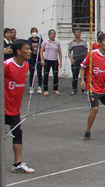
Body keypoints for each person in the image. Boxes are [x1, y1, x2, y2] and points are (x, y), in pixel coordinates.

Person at [4, 39, 35, 173]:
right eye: (27, 49)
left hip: (14, 108)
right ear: (18, 51)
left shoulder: (26, 66)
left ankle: (17, 164)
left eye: (29, 49)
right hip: (2, 108)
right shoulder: (7, 65)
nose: (29, 51)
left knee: (17, 133)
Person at [40, 29, 62, 96]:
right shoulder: (45, 42)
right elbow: (41, 51)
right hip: (47, 60)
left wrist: (60, 61)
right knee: (46, 75)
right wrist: (42, 60)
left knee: (55, 75)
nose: (53, 35)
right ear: (49, 34)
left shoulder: (57, 42)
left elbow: (59, 52)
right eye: (51, 33)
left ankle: (55, 89)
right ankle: (45, 90)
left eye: (54, 34)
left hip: (54, 60)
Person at [68, 28, 88, 96]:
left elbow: (86, 52)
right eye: (77, 32)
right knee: (75, 76)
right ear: (74, 33)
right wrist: (71, 59)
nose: (78, 34)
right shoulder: (71, 43)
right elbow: (69, 52)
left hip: (83, 61)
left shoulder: (84, 42)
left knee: (84, 76)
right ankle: (74, 90)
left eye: (79, 32)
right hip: (75, 61)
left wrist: (86, 60)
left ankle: (84, 90)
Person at [27, 27, 43, 94]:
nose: (35, 33)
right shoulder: (29, 40)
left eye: (36, 31)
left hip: (38, 58)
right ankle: (31, 87)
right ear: (31, 33)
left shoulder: (40, 40)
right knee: (32, 73)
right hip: (31, 59)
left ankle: (39, 87)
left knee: (39, 72)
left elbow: (43, 48)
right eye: (33, 32)